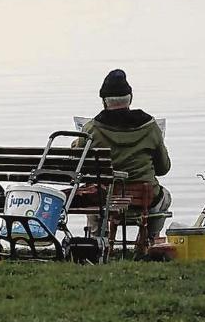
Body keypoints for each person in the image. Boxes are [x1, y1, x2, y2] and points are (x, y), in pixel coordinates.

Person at [73, 69, 171, 251]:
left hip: (104, 198)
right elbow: (163, 168)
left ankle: (97, 240)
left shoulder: (91, 129)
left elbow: (77, 163)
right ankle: (150, 240)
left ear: (104, 101)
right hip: (144, 198)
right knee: (164, 198)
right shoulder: (151, 127)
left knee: (92, 195)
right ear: (130, 98)